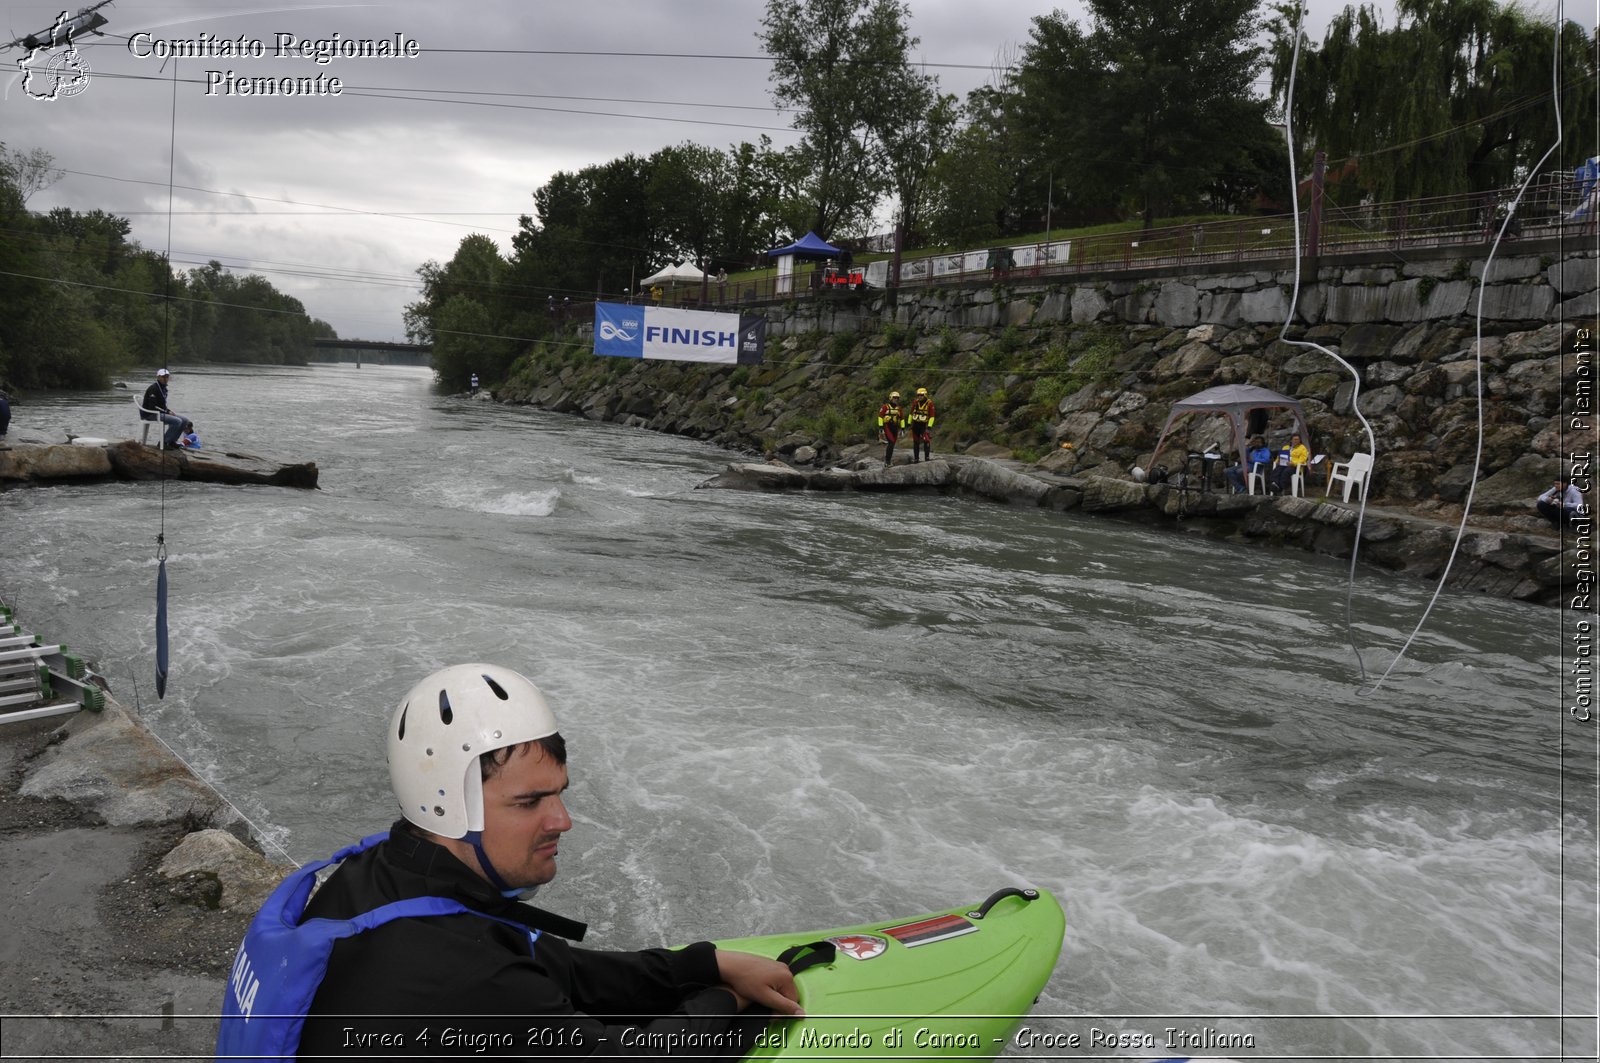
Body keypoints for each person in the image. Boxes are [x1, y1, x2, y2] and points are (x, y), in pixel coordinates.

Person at [218, 663, 802, 1060]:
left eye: (559, 792)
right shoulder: (461, 975)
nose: (562, 820)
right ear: (446, 807)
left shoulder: (381, 869)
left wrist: (703, 963)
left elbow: (553, 968)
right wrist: (729, 1006)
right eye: (529, 802)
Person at [139, 368, 187, 449]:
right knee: (177, 421)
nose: (165, 379)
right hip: (150, 414)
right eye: (163, 377)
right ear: (158, 377)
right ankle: (163, 442)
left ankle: (171, 441)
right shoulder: (154, 388)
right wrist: (167, 411)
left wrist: (168, 411)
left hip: (160, 412)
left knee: (184, 420)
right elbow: (152, 407)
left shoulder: (163, 388)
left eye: (167, 377)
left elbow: (162, 405)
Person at [876, 390, 905, 466]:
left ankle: (888, 459)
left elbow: (902, 419)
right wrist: (881, 427)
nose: (896, 399)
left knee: (892, 444)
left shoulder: (899, 408)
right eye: (894, 398)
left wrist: (903, 429)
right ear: (891, 398)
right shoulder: (885, 407)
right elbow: (880, 417)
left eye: (897, 398)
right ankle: (887, 461)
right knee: (891, 442)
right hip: (887, 426)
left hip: (895, 427)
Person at [907, 387, 935, 463]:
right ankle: (916, 459)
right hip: (915, 424)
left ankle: (927, 457)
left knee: (926, 440)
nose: (920, 396)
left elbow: (932, 416)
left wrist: (929, 427)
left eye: (921, 395)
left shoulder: (930, 403)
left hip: (924, 425)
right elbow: (911, 413)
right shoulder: (915, 402)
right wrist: (909, 424)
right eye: (918, 395)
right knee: (916, 442)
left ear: (925, 395)